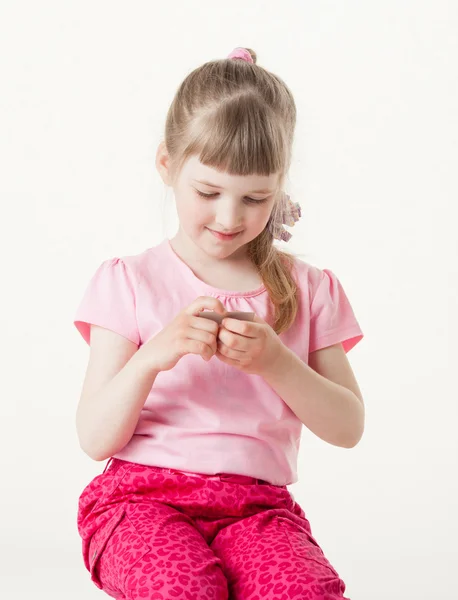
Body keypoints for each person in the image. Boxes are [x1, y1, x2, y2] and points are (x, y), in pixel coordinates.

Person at [74, 46, 365, 600]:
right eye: (208, 192)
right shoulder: (129, 282)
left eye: (256, 197)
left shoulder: (308, 289)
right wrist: (155, 354)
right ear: (168, 165)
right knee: (184, 589)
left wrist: (276, 362)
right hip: (141, 501)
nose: (230, 218)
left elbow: (348, 427)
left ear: (280, 184)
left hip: (259, 509)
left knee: (302, 592)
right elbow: (94, 438)